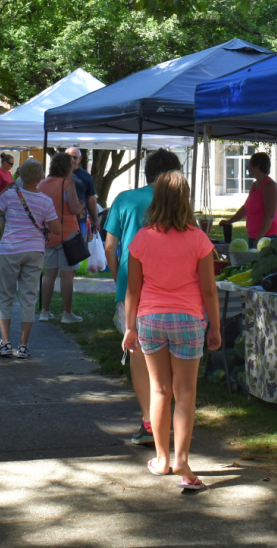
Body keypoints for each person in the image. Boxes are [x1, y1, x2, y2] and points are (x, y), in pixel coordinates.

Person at [121, 170, 221, 489]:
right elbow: (209, 290)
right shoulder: (199, 239)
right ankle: (182, 458)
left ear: (157, 199)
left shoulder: (141, 239)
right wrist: (215, 327)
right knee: (186, 392)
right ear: (185, 200)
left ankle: (162, 460)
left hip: (150, 320)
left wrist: (129, 327)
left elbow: (132, 291)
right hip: (189, 321)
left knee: (160, 390)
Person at [104, 149, 183, 445]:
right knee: (173, 353)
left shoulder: (125, 199)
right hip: (174, 283)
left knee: (136, 350)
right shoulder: (177, 199)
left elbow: (110, 246)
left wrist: (118, 278)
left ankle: (149, 421)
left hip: (132, 283)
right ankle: (170, 415)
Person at [0, 159, 60, 359]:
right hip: (35, 251)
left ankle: (5, 342)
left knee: (5, 297)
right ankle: (24, 345)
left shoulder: (10, 195)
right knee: (28, 298)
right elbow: (57, 229)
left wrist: (4, 191)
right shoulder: (46, 201)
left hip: (10, 250)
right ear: (40, 178)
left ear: (20, 176)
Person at [38, 153, 84, 324]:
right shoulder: (67, 184)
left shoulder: (42, 184)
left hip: (49, 233)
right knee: (67, 275)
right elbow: (73, 209)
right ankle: (67, 313)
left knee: (49, 275)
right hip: (68, 234)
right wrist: (81, 205)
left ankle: (45, 310)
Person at [217, 152, 277, 247]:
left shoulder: (270, 186)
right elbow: (246, 208)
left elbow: (270, 216)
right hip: (254, 237)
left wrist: (259, 239)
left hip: (268, 238)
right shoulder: (255, 185)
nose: (247, 168)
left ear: (257, 165)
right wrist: (230, 221)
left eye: (249, 164)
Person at [65, 146, 99, 241]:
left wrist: (95, 220)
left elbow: (91, 199)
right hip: (62, 220)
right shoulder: (58, 174)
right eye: (69, 157)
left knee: (80, 250)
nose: (72, 160)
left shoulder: (86, 176)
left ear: (80, 159)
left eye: (75, 157)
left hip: (80, 220)